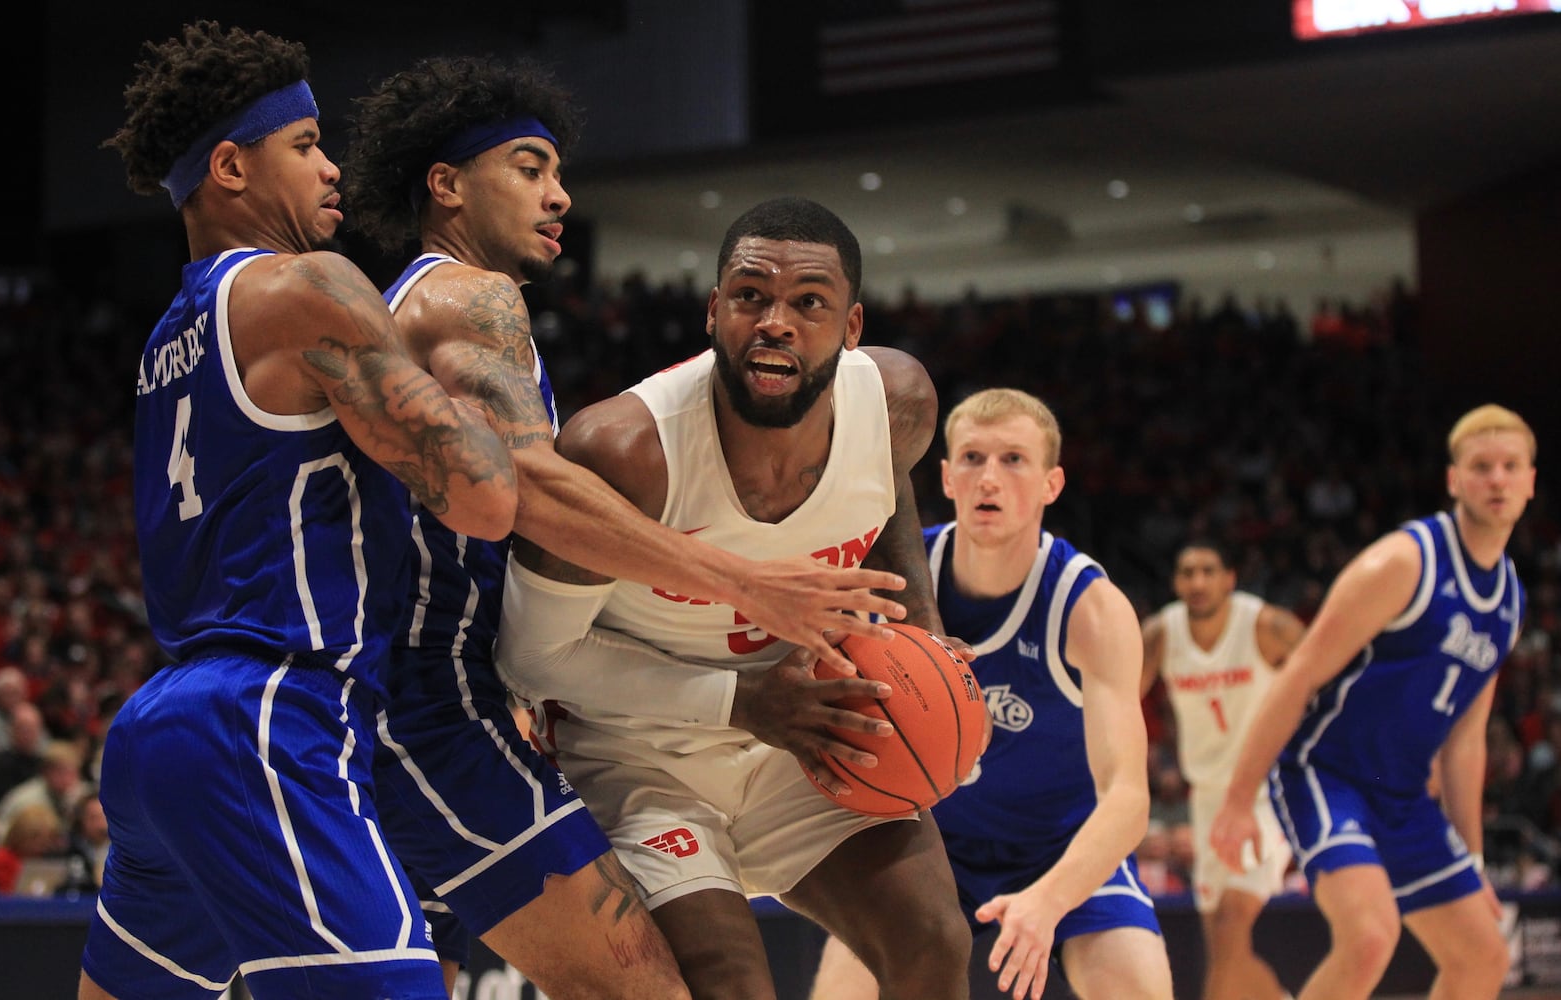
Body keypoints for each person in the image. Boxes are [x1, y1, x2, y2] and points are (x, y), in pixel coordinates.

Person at [341, 58, 910, 998]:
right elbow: (535, 489)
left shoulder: (422, 301)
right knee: (646, 987)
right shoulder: (470, 297)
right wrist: (738, 579)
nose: (558, 195)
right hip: (428, 697)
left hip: (428, 693)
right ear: (445, 185)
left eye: (559, 172)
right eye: (528, 167)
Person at [82, 21, 516, 999]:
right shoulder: (309, 286)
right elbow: (485, 499)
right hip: (270, 717)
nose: (333, 168)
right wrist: (459, 357)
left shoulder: (168, 338)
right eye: (308, 143)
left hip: (159, 729)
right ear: (230, 166)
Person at [497, 195, 970, 1000]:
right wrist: (743, 702)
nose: (775, 321)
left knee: (933, 943)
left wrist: (924, 625)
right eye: (751, 296)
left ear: (851, 328)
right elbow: (530, 658)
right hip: (637, 752)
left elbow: (888, 484)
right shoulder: (623, 452)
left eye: (808, 302)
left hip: (801, 727)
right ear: (715, 311)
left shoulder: (898, 403)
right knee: (730, 985)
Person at [810, 388, 1173, 1000]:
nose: (990, 478)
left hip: (1060, 848)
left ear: (1052, 484)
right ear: (947, 477)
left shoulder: (1090, 608)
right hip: (927, 843)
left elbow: (1128, 799)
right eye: (973, 459)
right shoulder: (897, 573)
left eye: (1013, 460)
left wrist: (1048, 902)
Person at [1211, 403, 1535, 1000]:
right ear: (1454, 479)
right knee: (1369, 935)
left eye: (1510, 466)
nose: (1497, 479)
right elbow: (1298, 674)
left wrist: (1473, 859)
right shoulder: (1404, 562)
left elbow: (1466, 740)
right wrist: (1236, 799)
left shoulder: (1509, 602)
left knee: (1484, 953)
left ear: (1531, 481)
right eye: (1482, 466)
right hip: (1324, 772)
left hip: (1402, 792)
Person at [1140, 540, 1305, 1000]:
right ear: (1175, 582)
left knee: (1232, 925)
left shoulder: (1265, 625)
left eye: (1208, 571)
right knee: (1225, 949)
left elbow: (1325, 671)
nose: (1197, 582)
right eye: (1187, 572)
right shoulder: (1161, 633)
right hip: (1207, 799)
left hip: (1264, 793)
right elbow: (1113, 700)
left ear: (1229, 578)